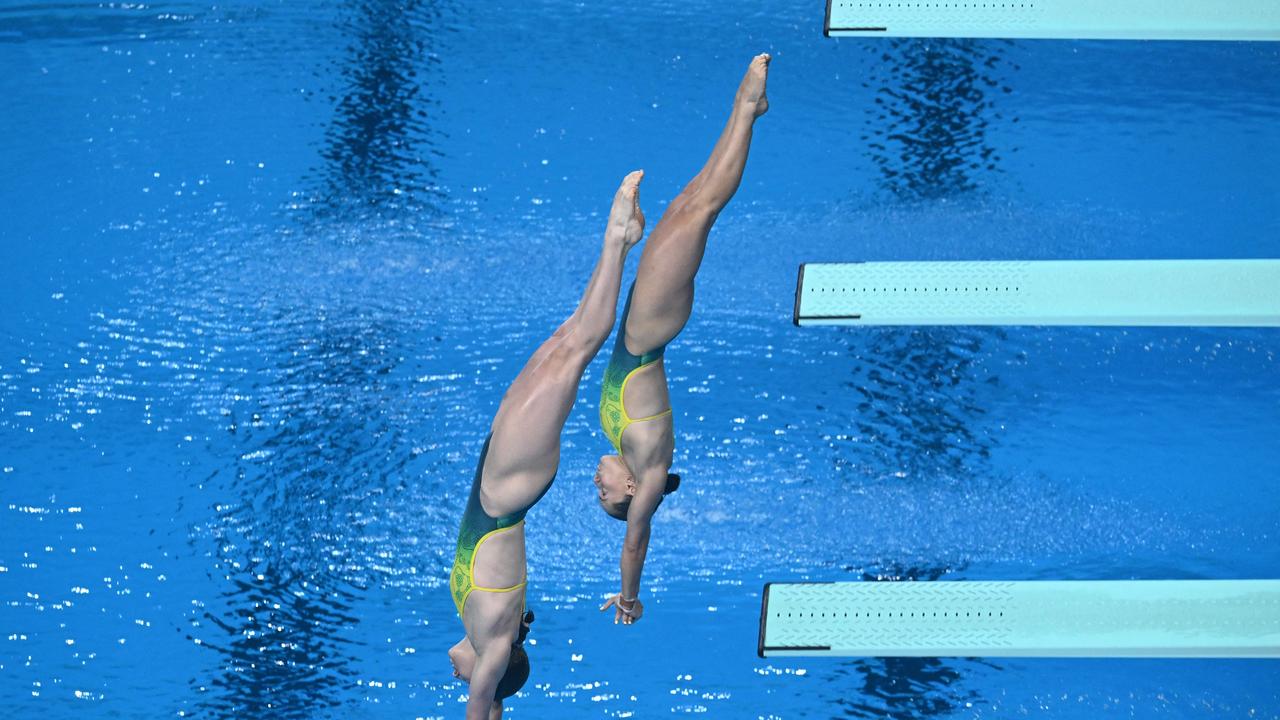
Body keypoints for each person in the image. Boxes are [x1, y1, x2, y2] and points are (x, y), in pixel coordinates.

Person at [448, 170, 646, 718]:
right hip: (511, 483)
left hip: (501, 472)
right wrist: (486, 704)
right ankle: (617, 236)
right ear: (499, 675)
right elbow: (482, 706)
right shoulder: (493, 648)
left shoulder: (488, 637)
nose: (457, 679)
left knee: (567, 338)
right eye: (472, 686)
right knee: (578, 346)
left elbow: (492, 709)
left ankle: (622, 240)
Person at [595, 54, 770, 626]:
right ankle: (747, 109)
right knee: (702, 209)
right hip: (651, 327)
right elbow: (635, 542)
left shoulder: (631, 455)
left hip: (644, 323)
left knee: (691, 202)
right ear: (628, 490)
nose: (595, 486)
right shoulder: (646, 478)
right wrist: (628, 596)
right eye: (603, 495)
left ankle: (747, 109)